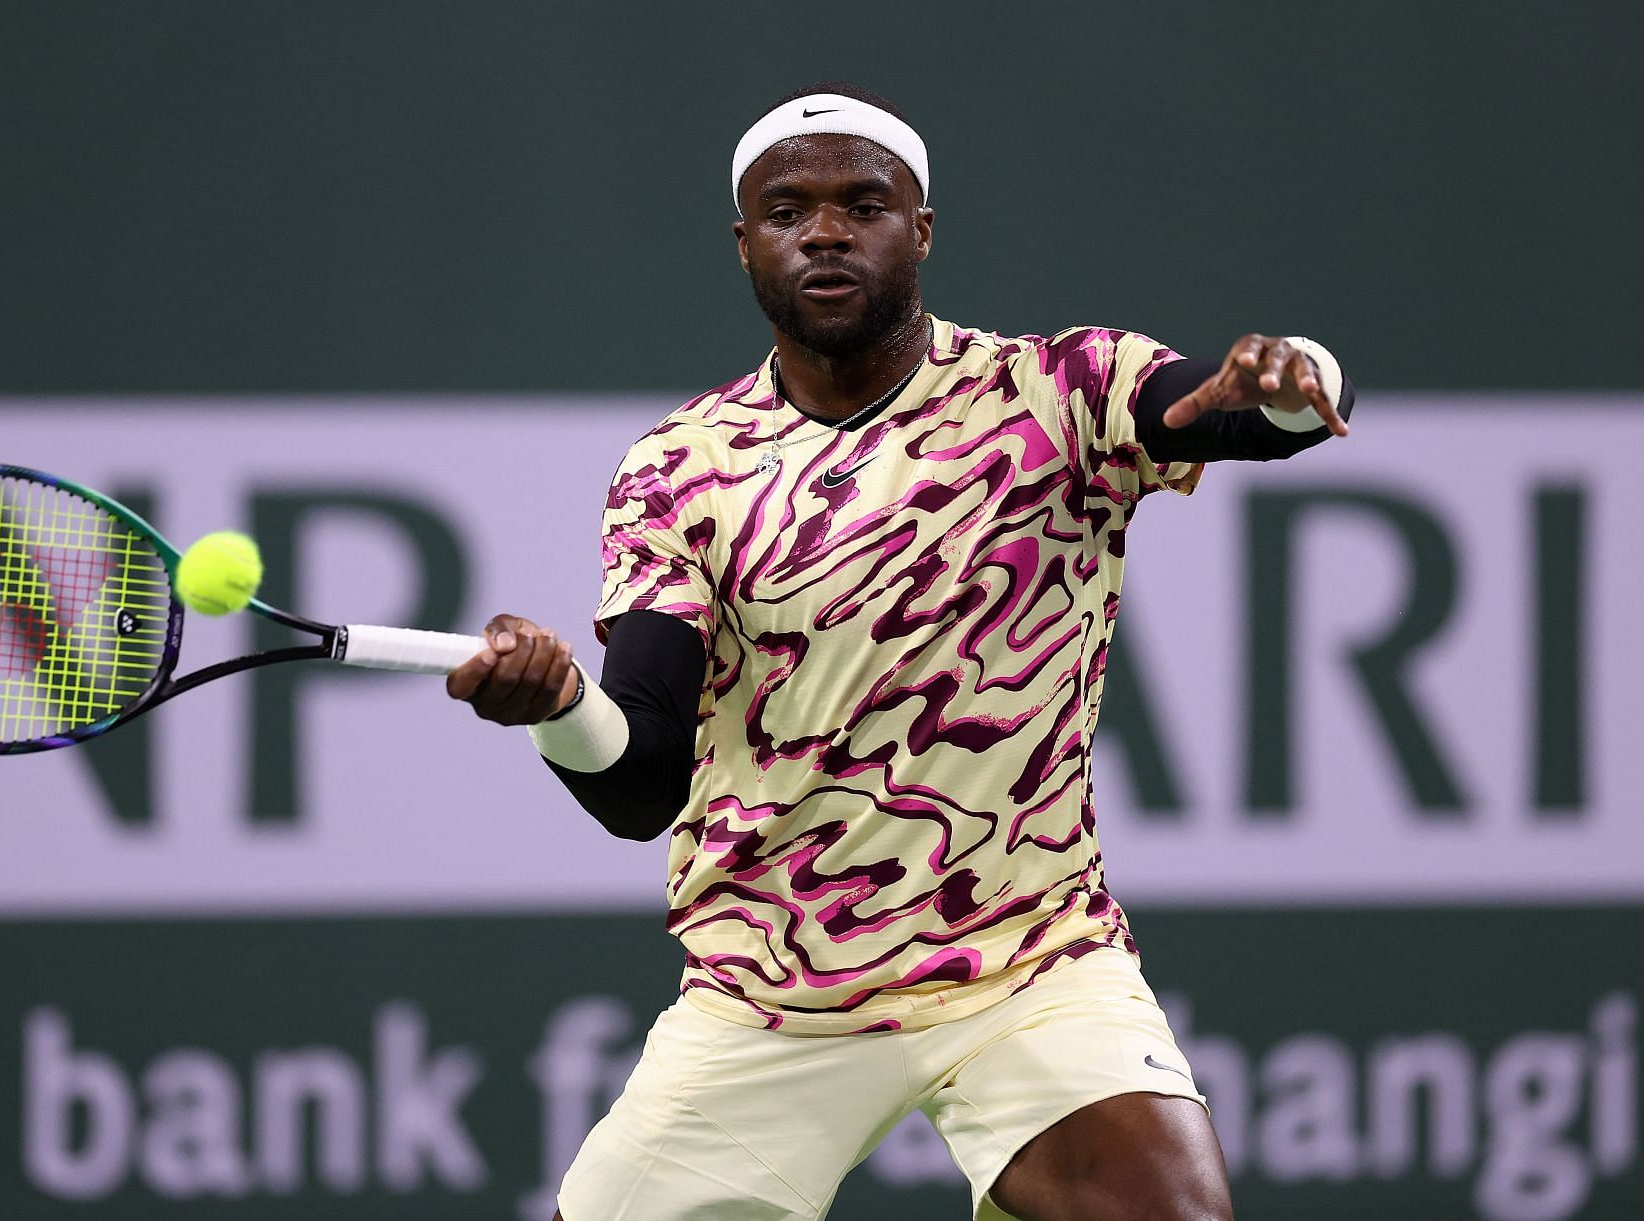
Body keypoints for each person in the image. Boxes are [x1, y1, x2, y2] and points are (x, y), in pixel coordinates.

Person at [446, 82, 1354, 1221]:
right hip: (772, 992)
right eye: (788, 211)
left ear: (920, 228)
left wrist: (1295, 376)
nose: (825, 230)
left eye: (862, 203)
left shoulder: (1061, 391)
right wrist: (559, 706)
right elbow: (638, 783)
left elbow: (1230, 412)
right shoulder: (678, 469)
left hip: (1028, 962)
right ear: (744, 246)